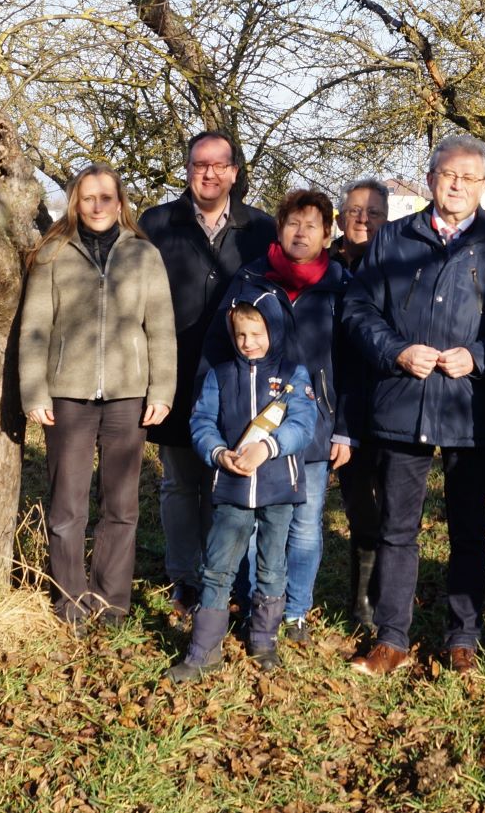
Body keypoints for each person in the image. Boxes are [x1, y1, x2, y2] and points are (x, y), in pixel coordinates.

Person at [343, 136, 485, 676]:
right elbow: (356, 310)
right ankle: (392, 637)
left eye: (471, 178)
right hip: (404, 403)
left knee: (468, 528)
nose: (458, 185)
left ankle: (462, 637)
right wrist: (397, 351)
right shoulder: (395, 239)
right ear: (430, 179)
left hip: (470, 407)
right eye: (449, 175)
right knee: (399, 526)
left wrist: (479, 355)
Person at [19, 165, 177, 627]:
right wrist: (35, 391)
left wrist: (162, 390)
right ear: (74, 203)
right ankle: (70, 601)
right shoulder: (52, 254)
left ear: (120, 201)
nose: (98, 206)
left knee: (122, 507)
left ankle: (110, 602)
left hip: (129, 397)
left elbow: (161, 330)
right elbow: (34, 328)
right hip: (67, 396)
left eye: (106, 197)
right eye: (88, 197)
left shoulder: (144, 256)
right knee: (67, 505)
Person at [204, 189, 354, 647]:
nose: (301, 232)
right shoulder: (250, 279)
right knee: (250, 522)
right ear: (279, 228)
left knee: (305, 525)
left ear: (328, 234)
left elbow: (350, 363)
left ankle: (294, 612)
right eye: (293, 223)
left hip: (313, 425)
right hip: (248, 428)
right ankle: (253, 607)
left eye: (312, 225)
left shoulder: (340, 286)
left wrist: (345, 427)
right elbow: (218, 348)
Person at [139, 132, 278, 619]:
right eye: (200, 164)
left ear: (234, 172)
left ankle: (227, 581)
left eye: (220, 165)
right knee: (180, 483)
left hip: (238, 379)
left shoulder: (261, 228)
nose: (210, 173)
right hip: (172, 373)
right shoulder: (158, 223)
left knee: (232, 484)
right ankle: (184, 577)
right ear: (188, 168)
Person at [168, 299, 317, 680]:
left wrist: (268, 448)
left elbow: (302, 423)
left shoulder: (293, 375)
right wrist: (218, 454)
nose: (248, 342)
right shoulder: (219, 375)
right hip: (232, 487)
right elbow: (202, 422)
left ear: (275, 332)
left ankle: (264, 640)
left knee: (272, 565)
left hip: (278, 487)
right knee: (217, 567)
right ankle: (204, 650)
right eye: (241, 335)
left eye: (257, 334)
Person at [331, 178, 390, 629]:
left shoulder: (399, 264)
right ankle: (361, 603)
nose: (363, 219)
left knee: (392, 505)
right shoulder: (322, 263)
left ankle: (384, 600)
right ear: (339, 217)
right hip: (336, 401)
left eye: (373, 213)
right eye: (354, 211)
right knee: (358, 503)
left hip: (389, 399)